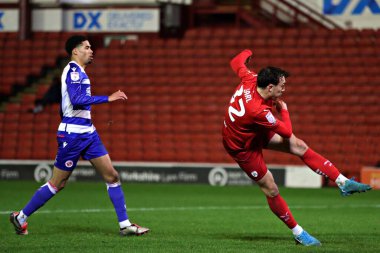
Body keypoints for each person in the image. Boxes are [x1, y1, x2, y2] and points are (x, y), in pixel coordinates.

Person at [222, 49, 371, 246]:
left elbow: (236, 62)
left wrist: (248, 52)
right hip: (242, 146)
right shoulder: (258, 111)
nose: (284, 89)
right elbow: (286, 131)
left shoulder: (251, 78)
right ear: (269, 87)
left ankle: (343, 182)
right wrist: (284, 111)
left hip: (252, 130)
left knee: (300, 146)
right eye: (281, 86)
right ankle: (298, 233)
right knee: (271, 188)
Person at [10, 35, 149, 236]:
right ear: (75, 51)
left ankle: (125, 224)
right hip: (73, 135)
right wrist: (107, 98)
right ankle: (20, 217)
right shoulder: (73, 71)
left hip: (88, 132)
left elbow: (68, 103)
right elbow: (76, 99)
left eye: (91, 47)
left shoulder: (81, 72)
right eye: (87, 47)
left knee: (112, 176)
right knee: (58, 183)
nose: (91, 50)